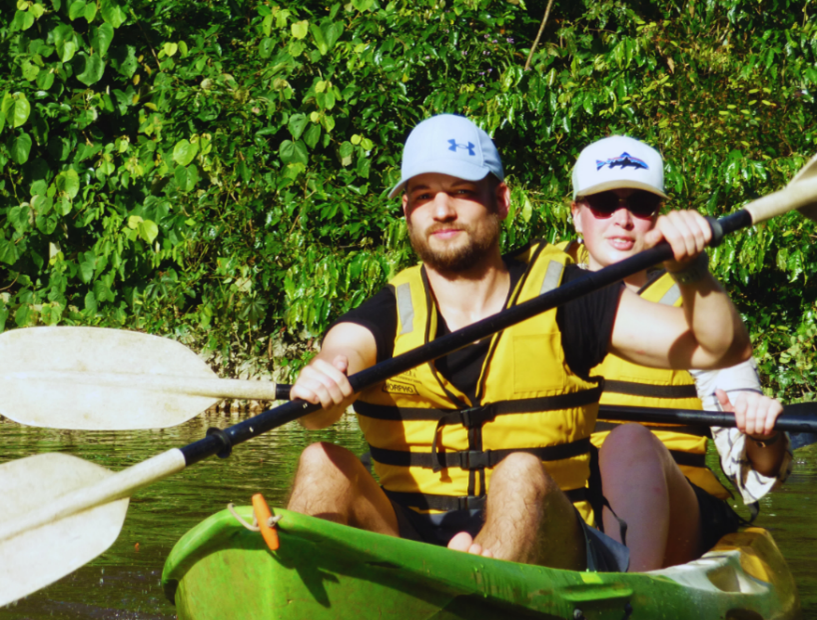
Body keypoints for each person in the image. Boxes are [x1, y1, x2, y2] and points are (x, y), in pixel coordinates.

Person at [286, 114, 751, 572]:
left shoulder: (568, 297)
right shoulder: (387, 312)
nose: (442, 210)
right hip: (417, 546)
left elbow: (719, 348)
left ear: (502, 200)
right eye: (424, 196)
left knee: (518, 473)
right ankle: (294, 606)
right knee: (320, 463)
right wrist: (322, 382)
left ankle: (480, 598)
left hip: (557, 554)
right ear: (407, 211)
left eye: (462, 193)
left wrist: (692, 271)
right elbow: (335, 369)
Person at [565, 135, 792, 571]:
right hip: (572, 497)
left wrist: (764, 432)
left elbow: (761, 467)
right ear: (577, 215)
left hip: (675, 509)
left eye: (641, 205)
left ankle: (632, 600)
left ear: (660, 217)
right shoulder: (537, 285)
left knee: (628, 440)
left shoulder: (701, 308)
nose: (623, 219)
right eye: (604, 204)